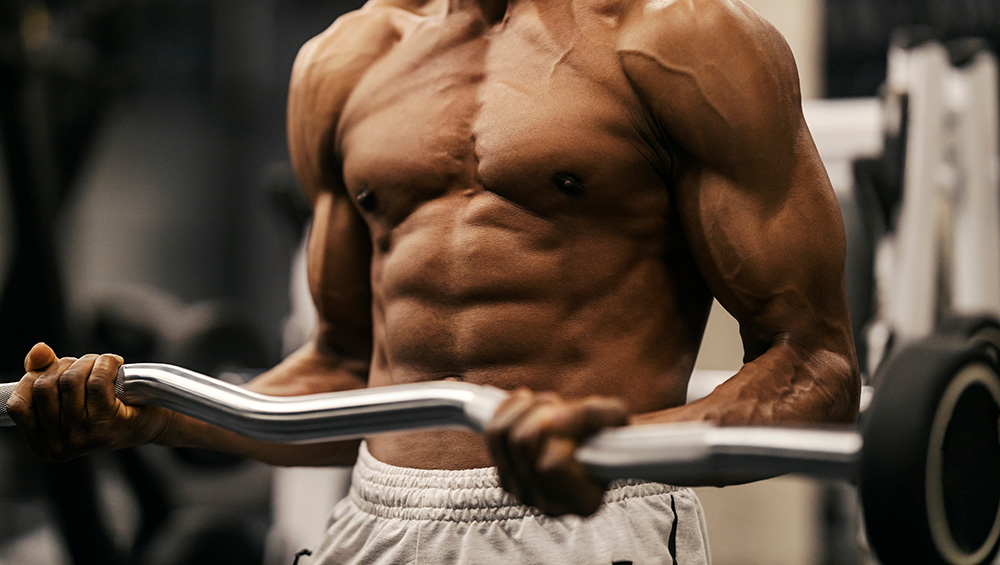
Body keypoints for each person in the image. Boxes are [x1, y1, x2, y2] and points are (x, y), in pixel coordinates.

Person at [8, 0, 860, 562]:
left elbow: (815, 370)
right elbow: (345, 373)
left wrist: (613, 450)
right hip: (377, 523)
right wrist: (163, 413)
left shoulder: (687, 46)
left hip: (591, 528)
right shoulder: (346, 63)